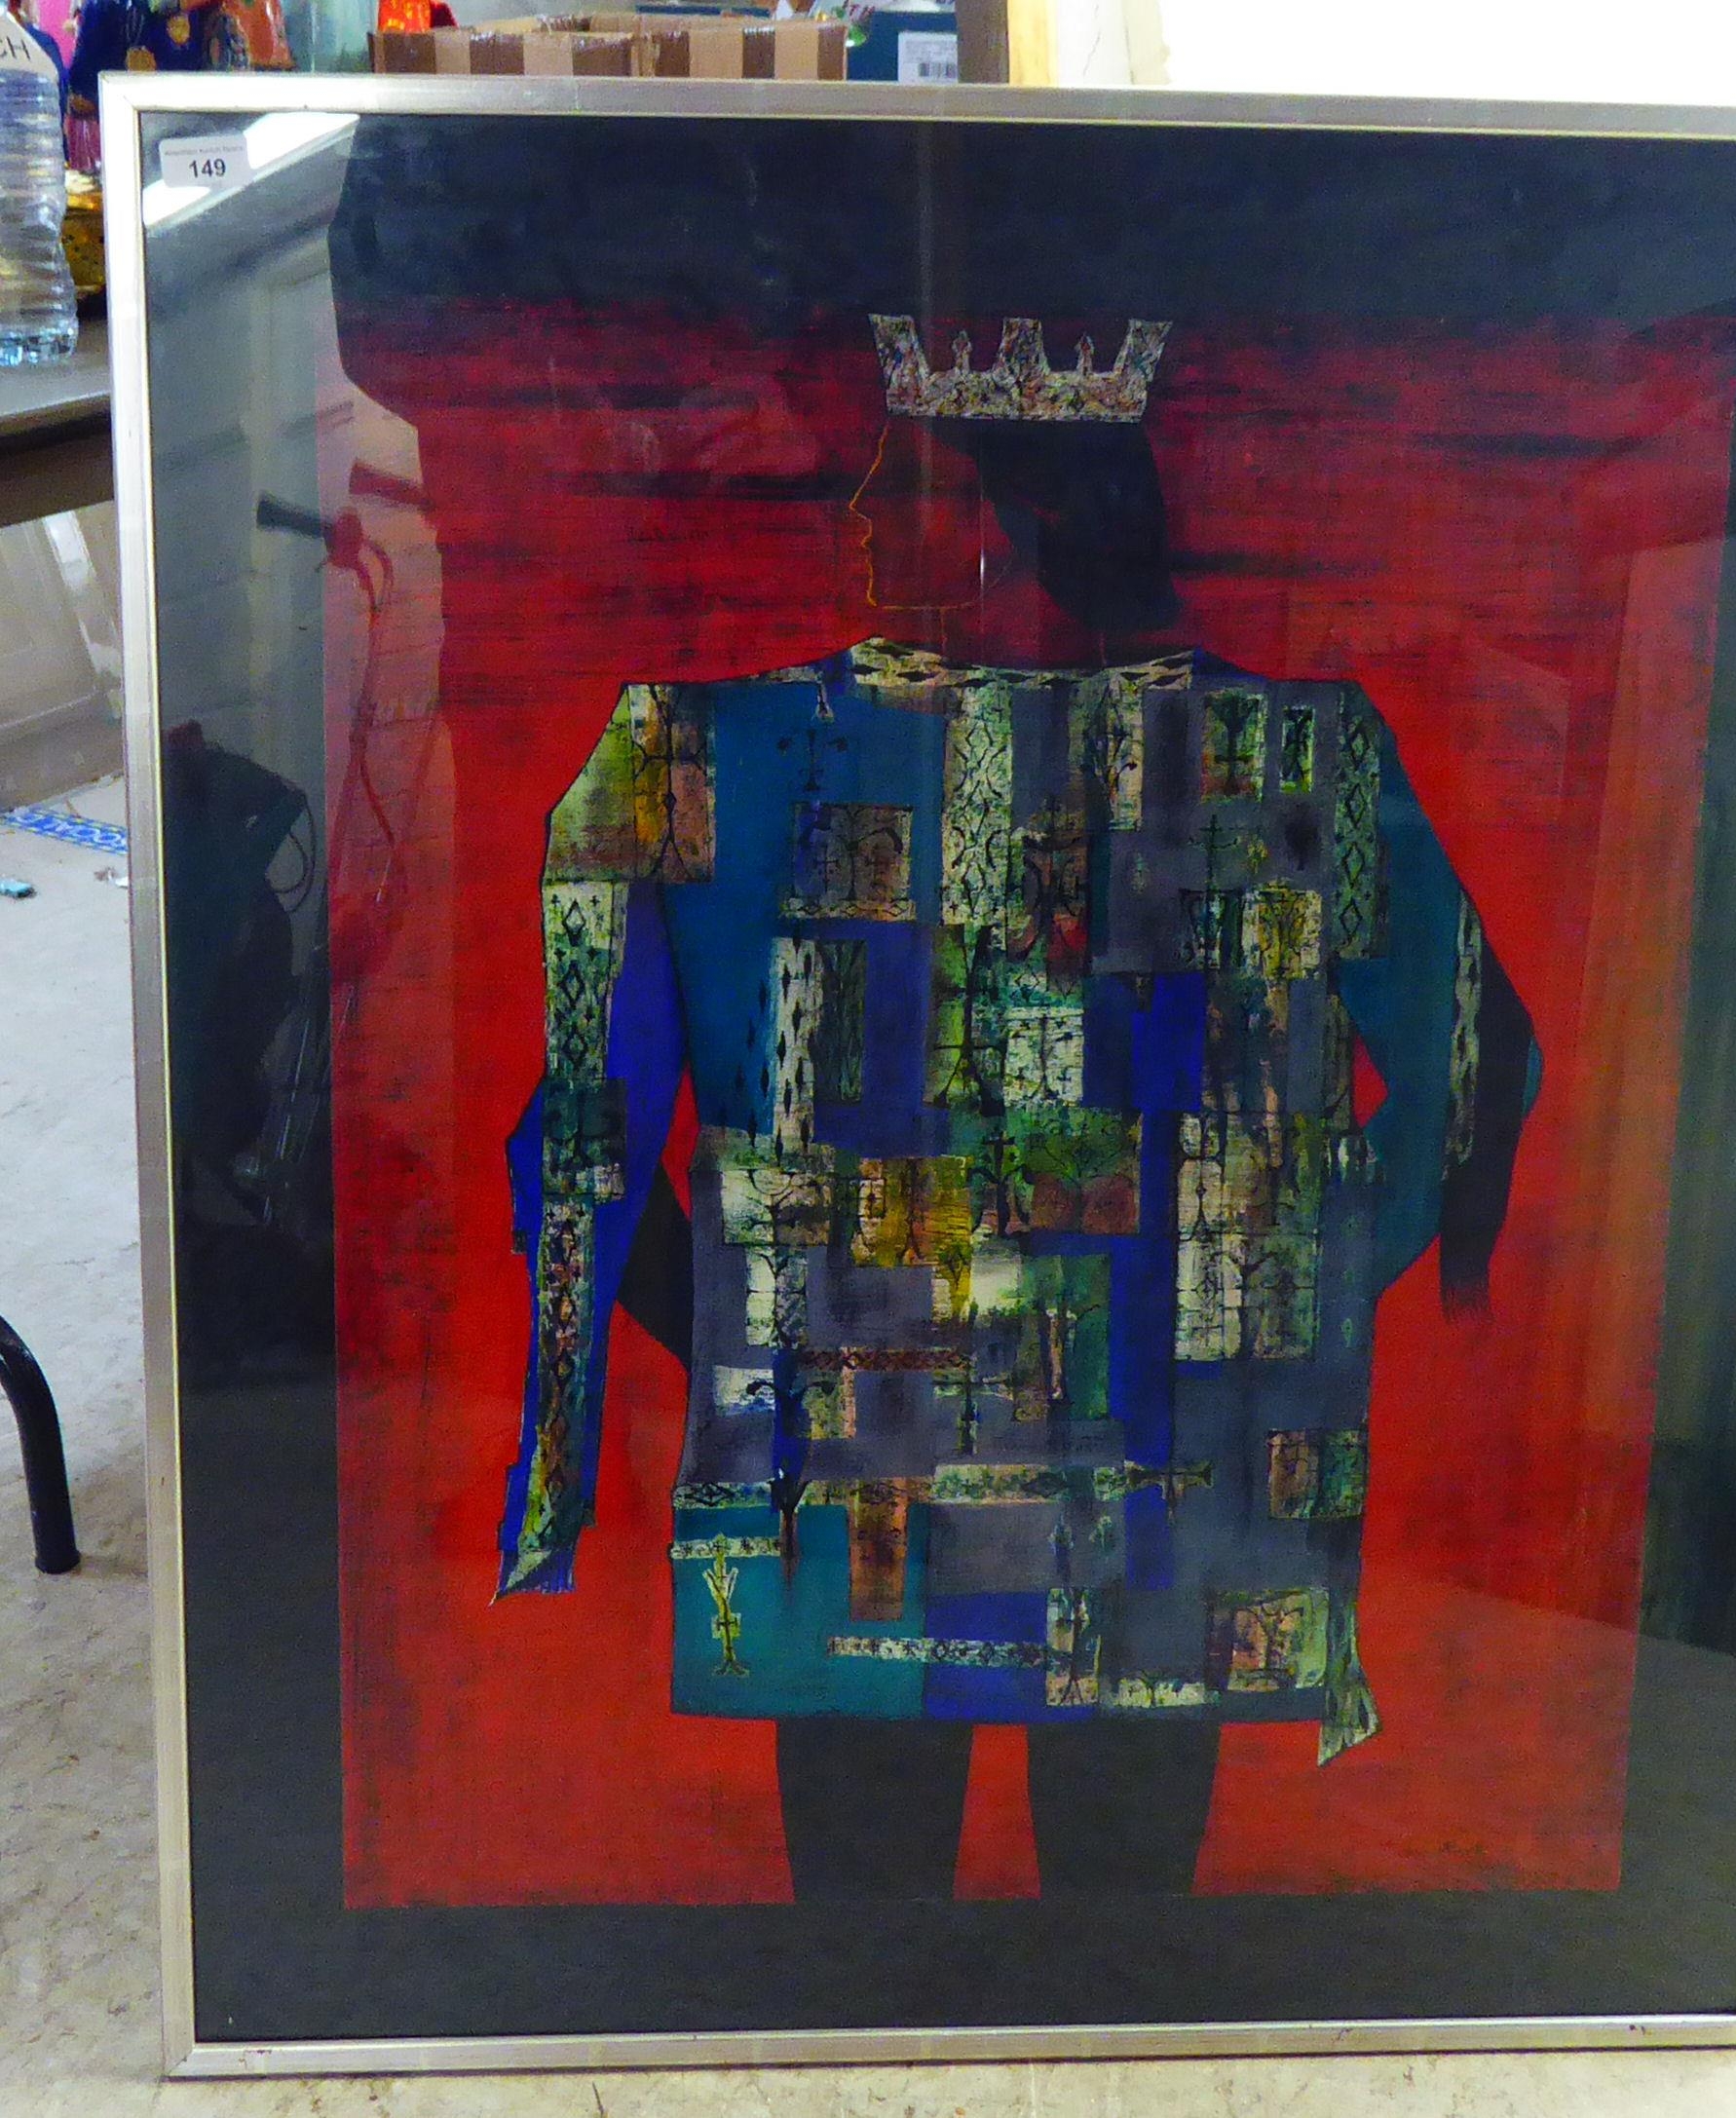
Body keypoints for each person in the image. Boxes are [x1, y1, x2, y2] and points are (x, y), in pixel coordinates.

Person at [495, 316, 1538, 1899]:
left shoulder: (697, 750)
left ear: (1014, 520)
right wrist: (1265, 1306)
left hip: (864, 1465)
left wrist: (749, 1333)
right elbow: (1481, 1064)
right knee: (1104, 1935)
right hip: (1144, 1467)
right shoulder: (1297, 754)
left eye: (900, 481)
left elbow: (573, 1150)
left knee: (894, 1932)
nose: (857, 515)